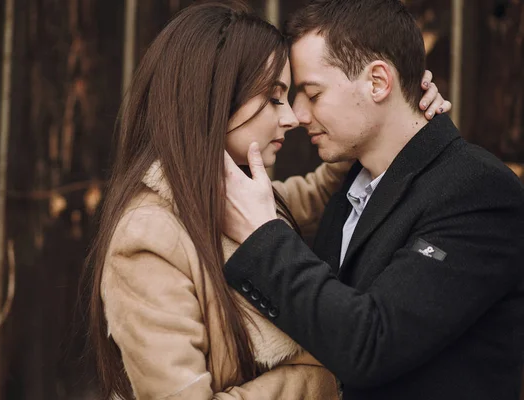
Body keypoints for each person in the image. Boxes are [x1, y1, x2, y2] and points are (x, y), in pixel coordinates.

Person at [86, 2, 449, 399]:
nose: (292, 117)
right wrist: (321, 378)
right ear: (214, 102)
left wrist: (400, 117)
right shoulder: (150, 235)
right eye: (275, 97)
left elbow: (317, 193)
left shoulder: (233, 199)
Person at [221, 1, 524, 399]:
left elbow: (371, 344)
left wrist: (264, 238)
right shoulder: (353, 187)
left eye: (312, 93)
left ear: (378, 82)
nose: (298, 114)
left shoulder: (479, 191)